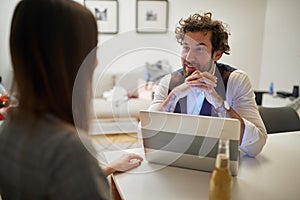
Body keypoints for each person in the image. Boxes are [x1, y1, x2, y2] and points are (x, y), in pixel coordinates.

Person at [0, 0, 142, 199]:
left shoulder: (10, 127)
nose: (96, 62)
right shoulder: (69, 148)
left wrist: (107, 168)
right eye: (91, 51)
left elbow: (49, 187)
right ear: (70, 60)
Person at [148, 12, 267, 157]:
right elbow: (148, 133)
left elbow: (255, 147)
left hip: (219, 167)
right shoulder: (168, 82)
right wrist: (174, 95)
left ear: (217, 54)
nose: (189, 57)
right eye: (186, 47)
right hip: (175, 164)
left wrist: (219, 104)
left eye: (200, 49)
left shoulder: (235, 81)